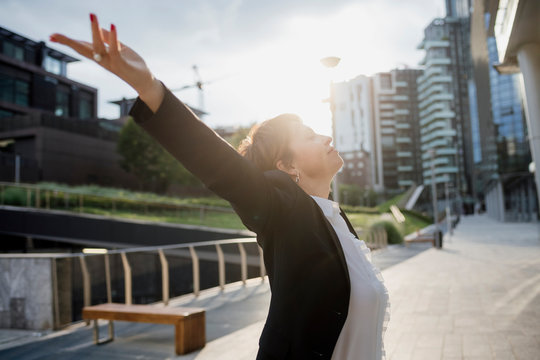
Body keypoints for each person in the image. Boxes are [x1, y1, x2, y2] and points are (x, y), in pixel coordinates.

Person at [50, 13, 390, 360]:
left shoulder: (335, 217)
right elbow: (221, 166)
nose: (326, 136)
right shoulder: (284, 208)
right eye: (310, 136)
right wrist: (149, 86)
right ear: (286, 167)